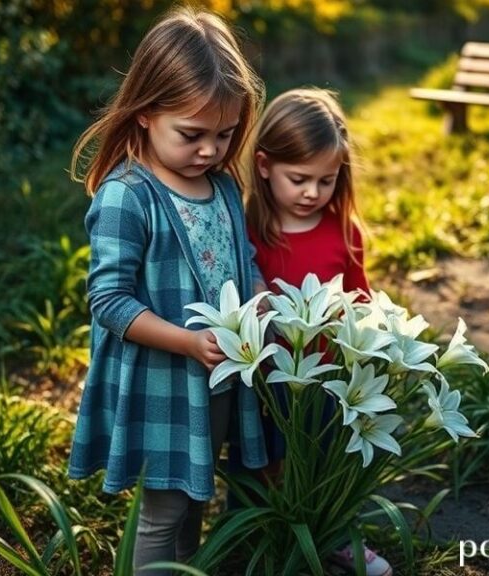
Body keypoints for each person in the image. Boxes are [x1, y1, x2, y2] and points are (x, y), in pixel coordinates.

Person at [66, 8, 268, 573]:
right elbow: (108, 301)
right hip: (165, 382)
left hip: (221, 380)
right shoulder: (127, 195)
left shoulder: (224, 186)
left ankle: (188, 568)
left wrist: (260, 297)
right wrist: (186, 342)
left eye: (225, 135)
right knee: (164, 507)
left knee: (197, 494)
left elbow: (242, 259)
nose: (210, 150)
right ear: (145, 114)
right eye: (192, 135)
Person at [244, 88, 392, 576]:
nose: (312, 192)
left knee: (327, 462)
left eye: (326, 180)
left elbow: (361, 299)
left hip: (328, 377)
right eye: (299, 179)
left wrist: (378, 342)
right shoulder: (248, 228)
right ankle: (259, 537)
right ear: (264, 166)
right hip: (266, 377)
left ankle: (334, 535)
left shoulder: (344, 230)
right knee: (263, 461)